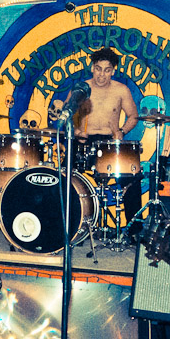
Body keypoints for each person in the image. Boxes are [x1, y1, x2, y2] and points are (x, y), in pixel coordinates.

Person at [72, 47, 140, 227]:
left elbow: (133, 116)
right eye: (98, 69)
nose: (101, 75)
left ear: (113, 71)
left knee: (132, 179)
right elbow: (68, 115)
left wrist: (122, 132)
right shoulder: (81, 89)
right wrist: (77, 131)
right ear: (92, 68)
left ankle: (134, 231)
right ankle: (70, 225)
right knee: (64, 178)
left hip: (110, 143)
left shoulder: (121, 90)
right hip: (83, 142)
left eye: (107, 70)